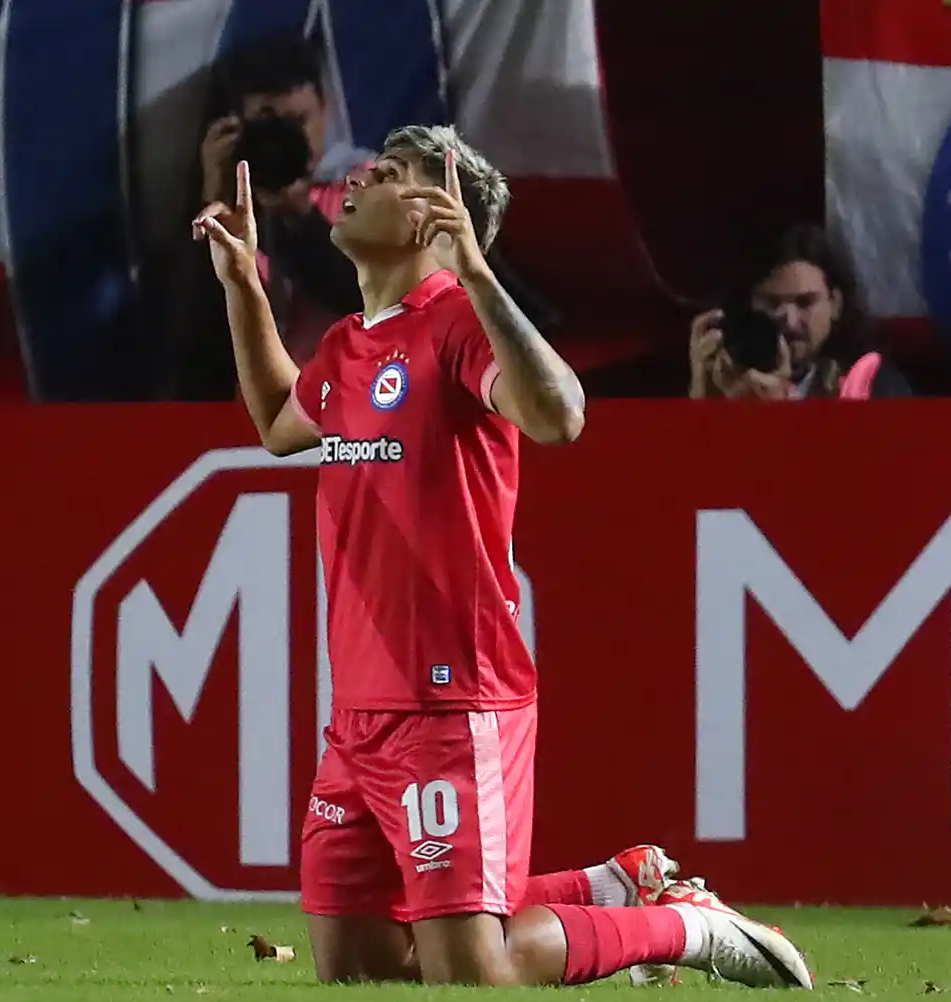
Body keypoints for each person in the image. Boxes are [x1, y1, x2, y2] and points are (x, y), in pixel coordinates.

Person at [194, 124, 813, 988]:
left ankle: (680, 928)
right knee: (361, 966)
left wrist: (479, 275)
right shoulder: (347, 343)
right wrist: (240, 286)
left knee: (472, 973)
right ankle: (611, 885)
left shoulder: (457, 323)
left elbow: (561, 416)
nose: (359, 174)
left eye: (392, 171)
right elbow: (274, 422)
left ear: (432, 218)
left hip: (455, 697)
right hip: (361, 709)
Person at [161, 35, 368, 400]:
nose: (289, 137)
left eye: (298, 120)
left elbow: (379, 301)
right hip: (256, 422)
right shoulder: (227, 209)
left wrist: (300, 218)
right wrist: (213, 204)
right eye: (268, 124)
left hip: (357, 411)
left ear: (326, 110)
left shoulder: (371, 187)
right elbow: (193, 346)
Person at [689, 223, 908, 401]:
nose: (789, 322)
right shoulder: (722, 378)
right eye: (771, 303)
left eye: (805, 303)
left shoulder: (875, 385)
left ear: (835, 303)